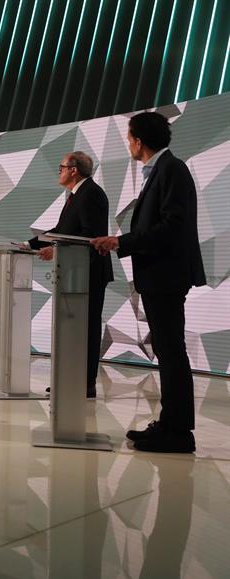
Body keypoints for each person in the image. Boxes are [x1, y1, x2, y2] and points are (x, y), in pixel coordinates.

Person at [91, 111, 205, 453]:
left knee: (172, 352)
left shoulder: (172, 169)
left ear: (139, 140)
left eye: (128, 137)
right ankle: (169, 423)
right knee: (167, 351)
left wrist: (121, 242)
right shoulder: (161, 170)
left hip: (166, 276)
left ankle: (179, 432)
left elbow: (172, 226)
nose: (128, 143)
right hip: (159, 275)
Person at [27, 151, 113, 398]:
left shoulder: (91, 194)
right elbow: (62, 231)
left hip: (89, 274)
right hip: (76, 273)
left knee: (86, 329)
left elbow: (90, 237)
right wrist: (27, 244)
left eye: (61, 166)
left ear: (74, 170)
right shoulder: (77, 196)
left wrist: (55, 249)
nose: (59, 171)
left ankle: (85, 383)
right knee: (73, 329)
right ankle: (70, 379)